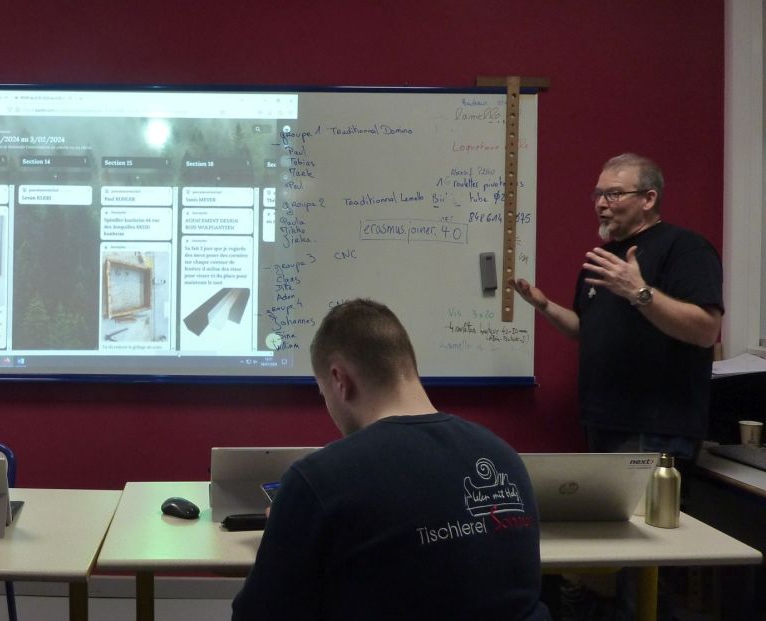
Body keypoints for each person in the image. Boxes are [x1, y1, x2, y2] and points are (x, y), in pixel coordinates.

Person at [232, 299, 549, 620]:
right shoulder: (504, 457)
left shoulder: (319, 479)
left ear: (339, 380)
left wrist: (283, 531)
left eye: (322, 393)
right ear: (407, 365)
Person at [510, 153, 723, 460]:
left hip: (657, 428)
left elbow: (706, 331)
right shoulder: (605, 258)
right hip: (602, 421)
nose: (601, 204)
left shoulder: (685, 248)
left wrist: (638, 291)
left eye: (614, 194)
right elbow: (587, 330)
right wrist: (544, 306)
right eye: (598, 194)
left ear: (648, 199)